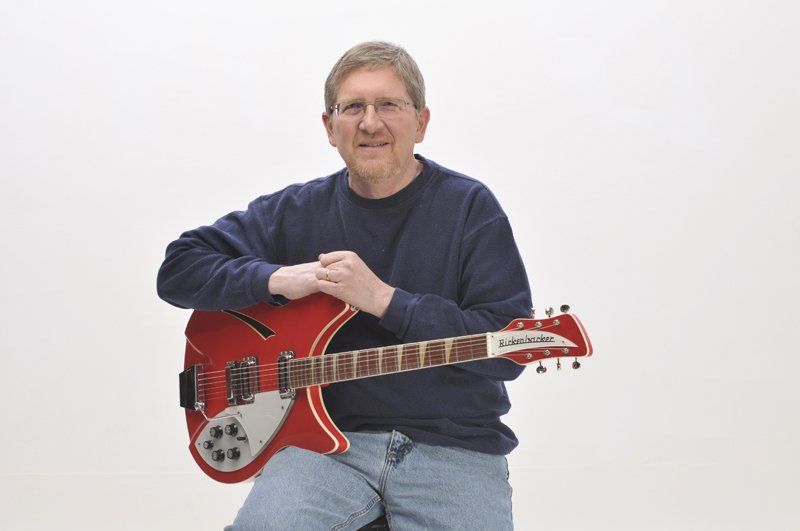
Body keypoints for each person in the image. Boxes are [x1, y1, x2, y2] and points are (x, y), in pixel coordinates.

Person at [157, 41, 532, 530]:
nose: (370, 123)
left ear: (420, 122)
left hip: (454, 446)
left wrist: (383, 301)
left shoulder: (469, 208)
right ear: (329, 127)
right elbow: (178, 269)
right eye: (353, 107)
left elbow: (507, 348)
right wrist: (275, 279)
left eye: (389, 106)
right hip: (323, 448)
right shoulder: (293, 211)